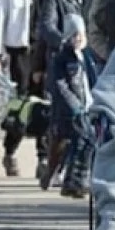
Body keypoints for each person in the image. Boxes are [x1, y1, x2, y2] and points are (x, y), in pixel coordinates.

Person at [0, 0, 53, 178]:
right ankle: (10, 150)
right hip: (19, 53)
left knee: (45, 103)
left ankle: (43, 157)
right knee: (23, 103)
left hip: (44, 52)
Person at [37, 0, 89, 186]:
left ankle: (65, 170)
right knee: (66, 121)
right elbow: (46, 28)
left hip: (82, 68)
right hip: (61, 70)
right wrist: (64, 41)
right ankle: (54, 167)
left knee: (78, 121)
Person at [46, 13, 100, 198]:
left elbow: (93, 79)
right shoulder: (62, 58)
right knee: (81, 141)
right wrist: (74, 105)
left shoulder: (87, 56)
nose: (78, 39)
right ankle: (74, 181)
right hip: (71, 110)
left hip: (88, 105)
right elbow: (60, 86)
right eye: (74, 35)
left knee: (88, 142)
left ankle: (77, 180)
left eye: (80, 35)